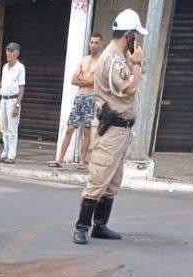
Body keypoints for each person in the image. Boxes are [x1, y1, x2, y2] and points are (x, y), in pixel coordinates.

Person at [72, 9, 147, 245]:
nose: (137, 41)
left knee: (113, 180)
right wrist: (137, 64)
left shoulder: (119, 56)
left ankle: (100, 225)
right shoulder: (115, 59)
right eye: (136, 36)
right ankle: (82, 226)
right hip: (112, 127)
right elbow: (130, 88)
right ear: (129, 35)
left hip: (122, 129)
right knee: (100, 175)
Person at [49, 33, 103, 169]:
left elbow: (95, 81)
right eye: (91, 42)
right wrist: (86, 80)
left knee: (86, 131)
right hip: (80, 97)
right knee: (69, 129)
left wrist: (83, 80)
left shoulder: (101, 62)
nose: (93, 45)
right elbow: (73, 79)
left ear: (100, 44)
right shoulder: (84, 60)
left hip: (91, 98)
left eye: (96, 43)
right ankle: (59, 159)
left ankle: (81, 161)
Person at [0, 42, 26, 164]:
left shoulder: (20, 68)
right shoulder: (5, 67)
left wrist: (18, 105)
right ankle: (4, 152)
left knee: (12, 128)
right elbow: (3, 85)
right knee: (4, 127)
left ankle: (11, 155)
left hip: (13, 100)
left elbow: (21, 88)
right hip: (3, 99)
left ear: (17, 53)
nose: (8, 53)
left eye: (11, 50)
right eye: (7, 50)